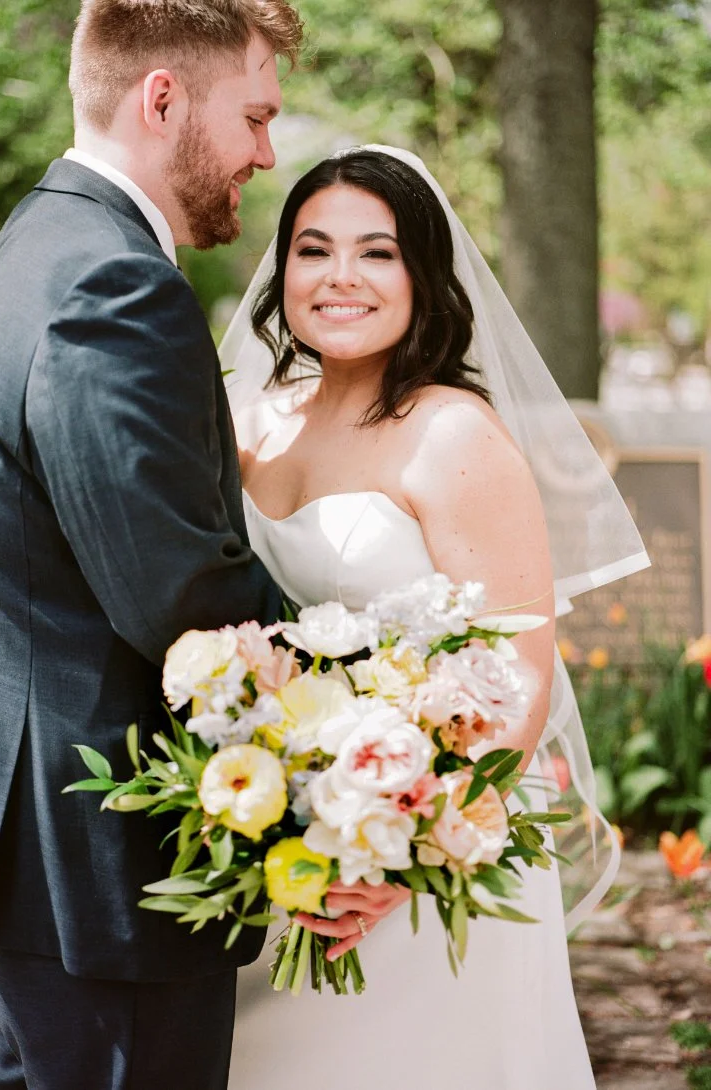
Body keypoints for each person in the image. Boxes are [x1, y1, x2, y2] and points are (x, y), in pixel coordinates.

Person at [0, 1, 302, 1087]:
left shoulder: (42, 237)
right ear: (162, 97)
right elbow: (181, 593)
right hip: (102, 858)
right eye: (256, 117)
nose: (265, 155)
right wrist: (386, 694)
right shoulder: (115, 281)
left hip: (28, 838)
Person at [222, 147, 649, 1089]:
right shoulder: (247, 423)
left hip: (423, 847)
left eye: (377, 253)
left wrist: (395, 849)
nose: (339, 277)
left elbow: (521, 674)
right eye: (312, 248)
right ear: (280, 269)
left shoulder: (452, 432)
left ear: (422, 273)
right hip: (286, 839)